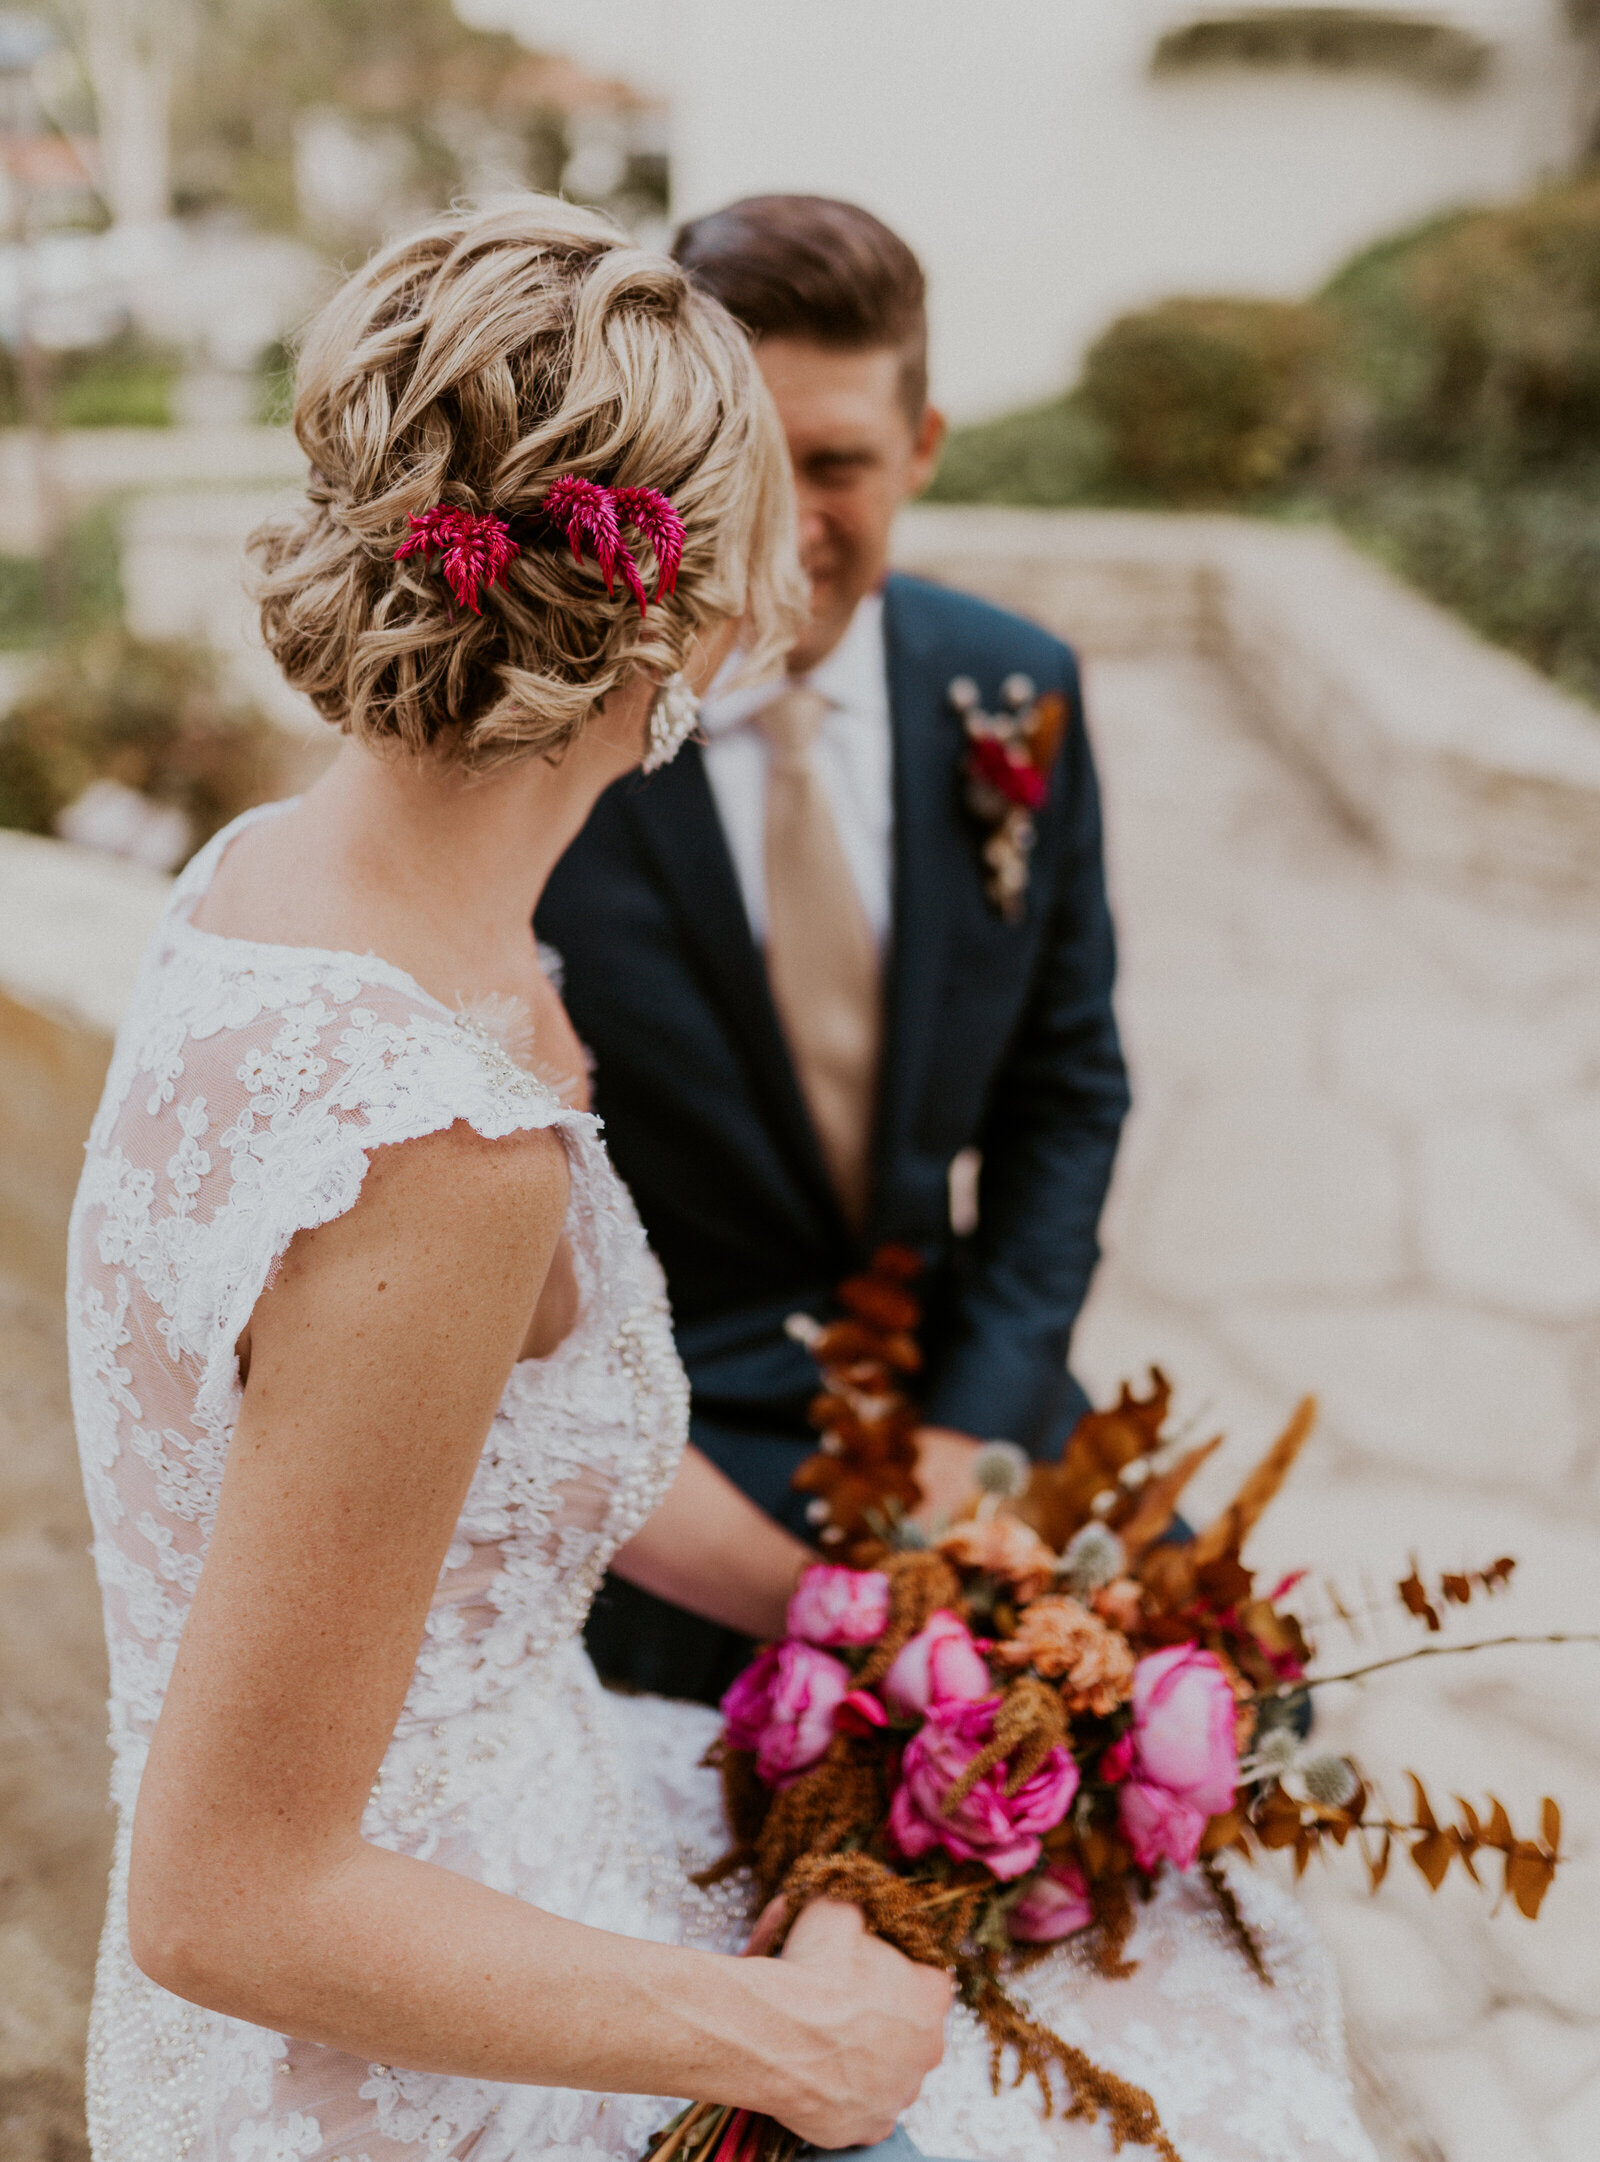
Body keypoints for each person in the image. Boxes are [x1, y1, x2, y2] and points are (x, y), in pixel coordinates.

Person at [68, 196, 1381, 2162]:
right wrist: (789, 2034)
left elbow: (508, 1445)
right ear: (676, 604)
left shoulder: (285, 883)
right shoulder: (438, 1139)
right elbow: (223, 1896)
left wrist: (878, 1618)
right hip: (398, 2043)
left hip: (520, 1817)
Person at [539, 199, 1131, 1706]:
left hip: (950, 1376)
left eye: (841, 464)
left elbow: (1068, 1088)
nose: (789, 521)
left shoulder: (1013, 689)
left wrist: (975, 1427)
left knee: (1207, 1716)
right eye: (749, 460)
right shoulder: (560, 739)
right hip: (674, 1430)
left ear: (923, 445)